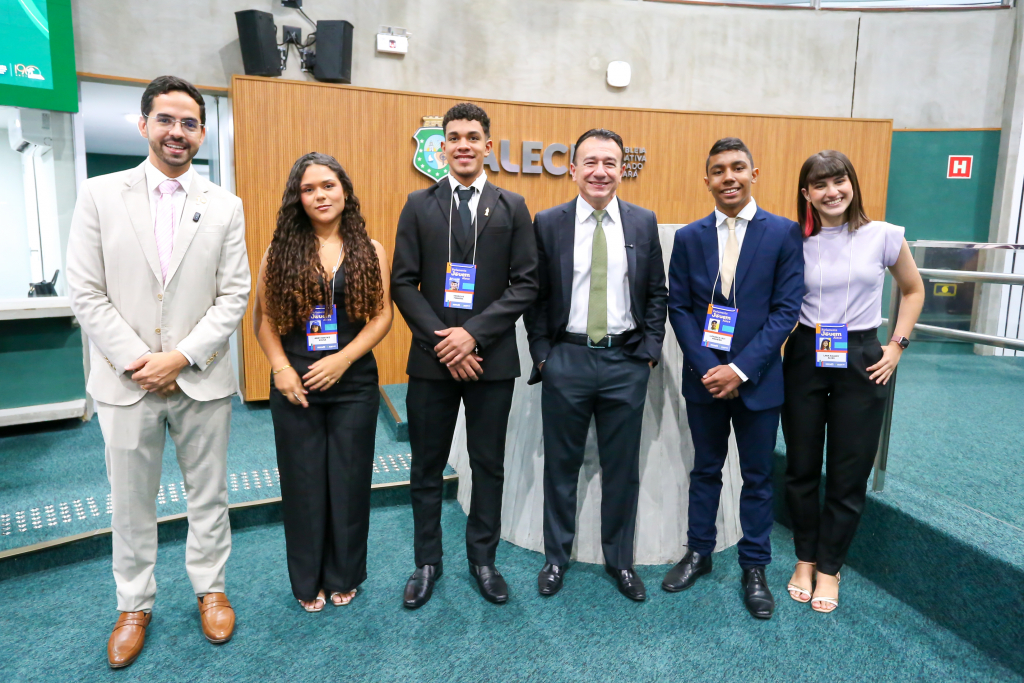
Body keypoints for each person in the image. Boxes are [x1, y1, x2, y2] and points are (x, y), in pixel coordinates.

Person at [66, 76, 250, 667]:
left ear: (201, 132)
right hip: (125, 383)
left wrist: (181, 356)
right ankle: (134, 603)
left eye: (190, 123)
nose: (178, 132)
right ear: (143, 124)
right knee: (130, 501)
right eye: (166, 120)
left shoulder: (226, 205)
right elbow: (86, 293)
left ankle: (210, 588)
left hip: (202, 377)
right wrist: (139, 360)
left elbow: (234, 295)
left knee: (209, 495)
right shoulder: (99, 195)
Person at [391, 103, 538, 608]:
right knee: (426, 466)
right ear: (442, 147)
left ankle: (483, 559)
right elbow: (403, 282)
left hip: (490, 360)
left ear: (488, 145)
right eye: (454, 137)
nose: (463, 145)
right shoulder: (417, 204)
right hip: (432, 362)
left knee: (487, 464)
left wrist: (470, 336)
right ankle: (427, 562)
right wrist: (443, 340)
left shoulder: (513, 206)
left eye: (473, 137)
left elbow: (526, 285)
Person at [663, 137, 804, 619]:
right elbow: (678, 308)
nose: (728, 177)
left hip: (758, 381)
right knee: (704, 469)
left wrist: (740, 370)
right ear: (707, 180)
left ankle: (755, 567)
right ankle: (699, 553)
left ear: (754, 174)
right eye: (718, 170)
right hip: (704, 379)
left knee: (757, 477)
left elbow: (786, 312)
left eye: (737, 168)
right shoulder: (689, 237)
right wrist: (709, 368)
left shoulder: (783, 233)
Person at [525, 128, 667, 601]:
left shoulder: (643, 222)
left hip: (626, 362)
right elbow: (537, 296)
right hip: (566, 360)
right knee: (561, 466)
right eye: (590, 162)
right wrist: (544, 356)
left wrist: (648, 352)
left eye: (609, 162)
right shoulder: (548, 223)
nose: (599, 171)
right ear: (573, 169)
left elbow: (656, 294)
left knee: (621, 467)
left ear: (621, 168)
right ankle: (555, 559)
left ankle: (620, 562)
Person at [782, 150, 923, 613]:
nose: (831, 191)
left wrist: (896, 345)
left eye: (838, 180)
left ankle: (829, 567)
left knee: (848, 473)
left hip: (863, 355)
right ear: (806, 194)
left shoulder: (883, 235)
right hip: (806, 353)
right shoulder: (793, 239)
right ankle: (804, 558)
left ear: (852, 183)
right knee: (801, 466)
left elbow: (912, 289)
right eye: (819, 184)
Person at [253, 153, 392, 612]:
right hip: (296, 384)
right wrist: (280, 368)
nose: (320, 195)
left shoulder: (371, 249)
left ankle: (344, 575)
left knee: (349, 483)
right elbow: (264, 321)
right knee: (304, 484)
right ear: (298, 197)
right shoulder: (280, 251)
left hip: (353, 384)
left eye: (328, 185)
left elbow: (382, 316)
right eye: (309, 188)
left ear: (345, 191)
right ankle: (307, 579)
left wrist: (343, 360)